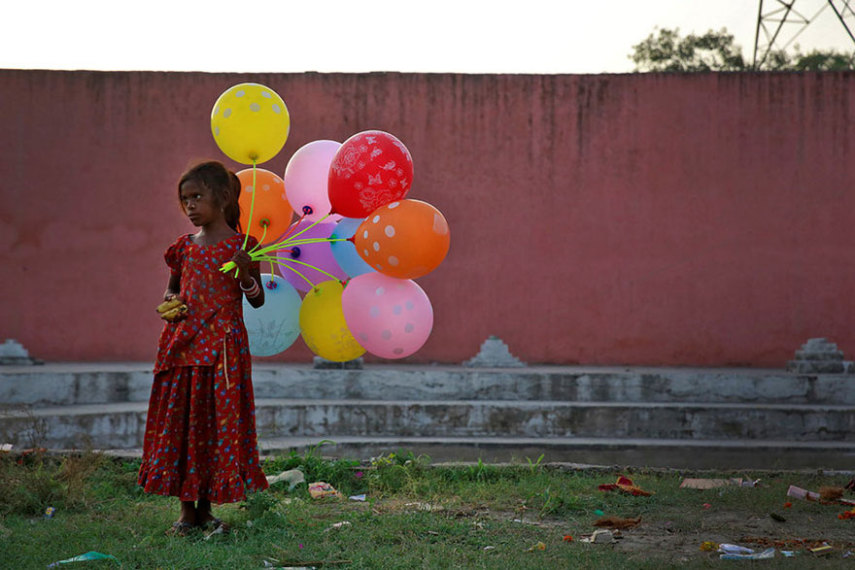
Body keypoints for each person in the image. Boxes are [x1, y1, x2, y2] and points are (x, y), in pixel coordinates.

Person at [137, 160, 269, 536]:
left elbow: (257, 301)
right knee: (184, 424)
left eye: (197, 197)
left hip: (223, 354)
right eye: (185, 200)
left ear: (224, 198)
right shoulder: (184, 249)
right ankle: (185, 511)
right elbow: (173, 289)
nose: (190, 206)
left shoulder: (244, 247)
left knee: (214, 426)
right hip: (183, 349)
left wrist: (244, 273)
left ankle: (206, 507)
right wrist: (170, 303)